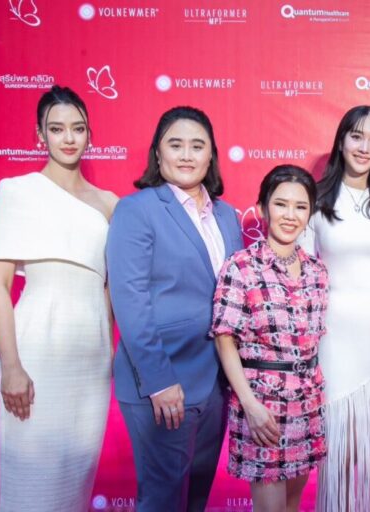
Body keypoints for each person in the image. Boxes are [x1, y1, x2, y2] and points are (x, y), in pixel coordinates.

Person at [0, 85, 117, 511]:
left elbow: (110, 286)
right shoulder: (17, 191)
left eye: (78, 128)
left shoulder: (109, 204)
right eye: (57, 129)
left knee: (75, 483)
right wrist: (11, 366)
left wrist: (108, 346)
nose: (68, 138)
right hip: (37, 350)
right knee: (31, 482)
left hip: (91, 358)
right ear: (40, 135)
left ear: (90, 134)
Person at [106, 106, 244, 511]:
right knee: (163, 499)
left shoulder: (227, 216)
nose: (186, 155)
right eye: (175, 144)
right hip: (163, 382)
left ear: (211, 155)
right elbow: (129, 300)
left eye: (197, 146)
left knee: (196, 497)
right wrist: (159, 381)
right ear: (158, 152)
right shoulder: (137, 210)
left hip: (215, 383)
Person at [299, 105, 370, 511]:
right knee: (341, 455)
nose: (365, 147)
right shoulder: (315, 199)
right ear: (341, 141)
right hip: (336, 340)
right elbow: (304, 277)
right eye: (357, 136)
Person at [212, 165, 327, 512]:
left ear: (310, 213)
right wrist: (250, 405)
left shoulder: (317, 271)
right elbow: (224, 339)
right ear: (263, 208)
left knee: (292, 504)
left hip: (307, 401)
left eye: (300, 206)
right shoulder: (241, 266)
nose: (290, 215)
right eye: (281, 204)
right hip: (262, 404)